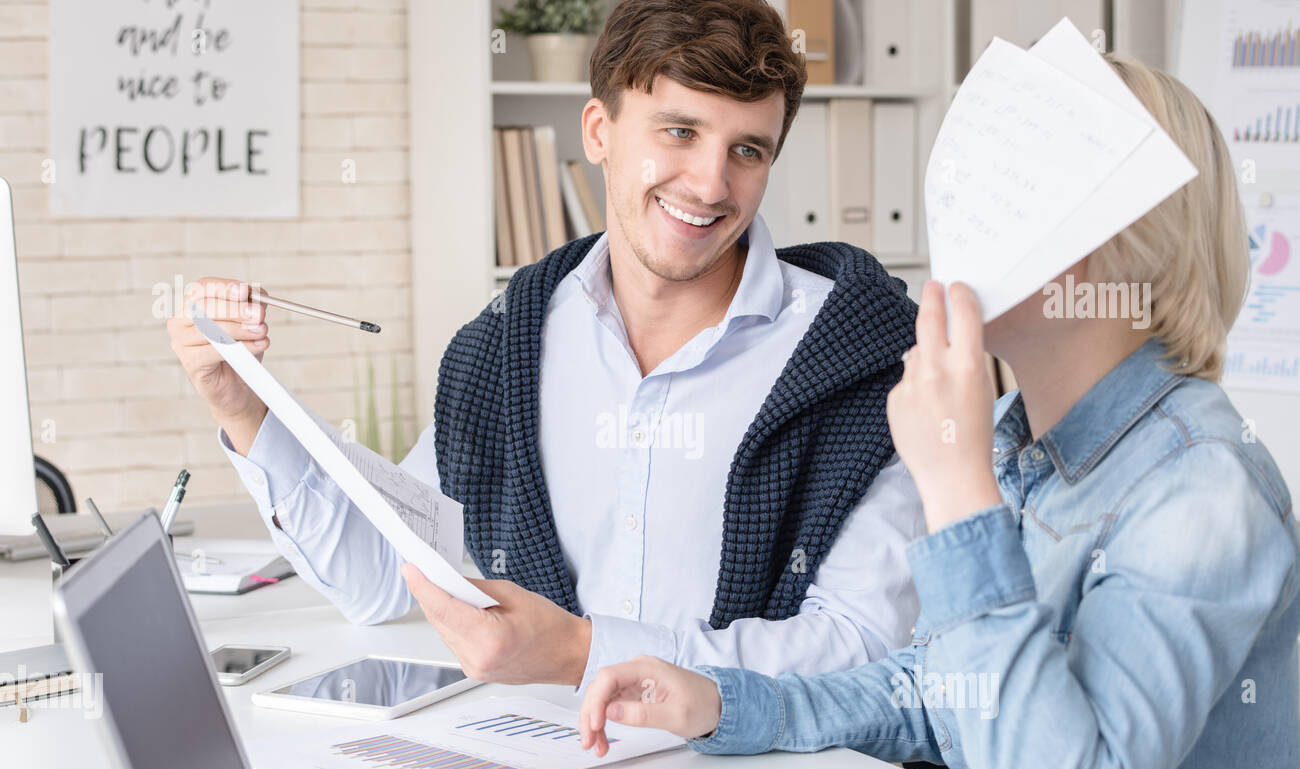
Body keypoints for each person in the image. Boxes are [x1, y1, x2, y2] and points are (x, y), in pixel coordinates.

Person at [577, 54, 1300, 769]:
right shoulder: (1010, 434)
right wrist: (725, 704)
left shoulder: (1203, 491)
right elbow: (939, 692)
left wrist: (958, 491)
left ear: (1117, 240)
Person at [165, 0, 926, 692]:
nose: (709, 184)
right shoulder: (507, 346)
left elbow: (866, 644)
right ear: (599, 131)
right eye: (681, 132)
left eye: (748, 151)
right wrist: (243, 407)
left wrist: (582, 653)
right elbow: (376, 576)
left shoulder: (858, 357)